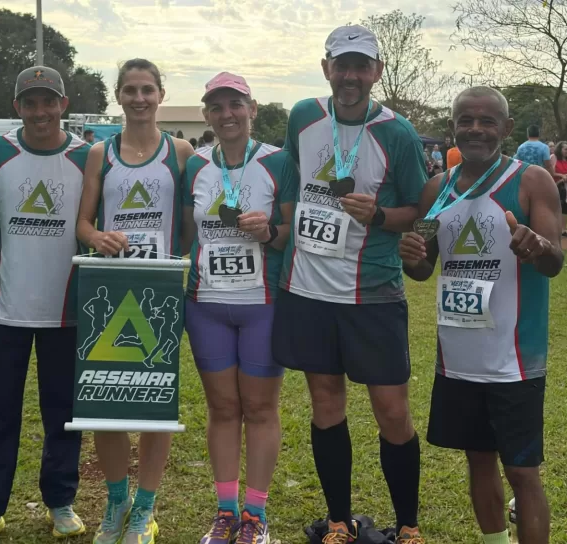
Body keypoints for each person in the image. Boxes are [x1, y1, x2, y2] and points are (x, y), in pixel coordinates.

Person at [271, 25, 427, 544]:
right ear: (326, 68)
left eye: (362, 66)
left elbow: (416, 212)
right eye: (343, 65)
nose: (351, 76)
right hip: (308, 290)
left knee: (392, 411)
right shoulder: (302, 117)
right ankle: (338, 521)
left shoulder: (397, 133)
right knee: (326, 404)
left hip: (372, 293)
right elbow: (292, 181)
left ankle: (408, 525)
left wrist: (379, 214)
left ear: (376, 72)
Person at [399, 85, 562, 544]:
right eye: (465, 121)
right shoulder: (438, 188)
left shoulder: (531, 181)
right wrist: (412, 255)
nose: (475, 129)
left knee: (522, 471)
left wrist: (537, 247)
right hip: (459, 358)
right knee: (477, 458)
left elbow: (555, 263)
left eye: (487, 121)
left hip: (515, 361)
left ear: (506, 129)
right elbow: (424, 264)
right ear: (453, 129)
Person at [0, 66, 89, 543]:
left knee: (64, 412)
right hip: (3, 309)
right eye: (30, 102)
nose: (41, 111)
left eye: (49, 101)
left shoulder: (85, 155)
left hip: (67, 311)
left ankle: (60, 501)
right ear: (17, 107)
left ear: (64, 104)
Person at [76, 58, 194, 544]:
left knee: (154, 403)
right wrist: (98, 237)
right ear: (118, 96)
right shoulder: (100, 154)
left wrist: (173, 257)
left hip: (161, 290)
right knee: (107, 400)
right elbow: (82, 224)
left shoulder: (181, 151)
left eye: (148, 89)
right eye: (130, 90)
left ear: (161, 95)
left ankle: (145, 508)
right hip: (109, 290)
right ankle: (116, 501)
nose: (139, 98)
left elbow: (188, 227)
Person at [181, 72, 297, 544]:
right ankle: (226, 513)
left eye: (235, 104)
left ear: (251, 108)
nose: (226, 114)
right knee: (223, 407)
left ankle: (255, 515)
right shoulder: (195, 165)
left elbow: (293, 231)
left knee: (261, 408)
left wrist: (267, 232)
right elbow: (186, 234)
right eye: (216, 106)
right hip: (205, 303)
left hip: (262, 303)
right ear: (207, 114)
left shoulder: (278, 162)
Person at [551, 141, 567, 237]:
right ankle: (553, 228)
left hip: (566, 186)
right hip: (555, 185)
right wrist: (561, 176)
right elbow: (550, 171)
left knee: (566, 208)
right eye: (565, 149)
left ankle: (563, 230)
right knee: (555, 207)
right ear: (560, 149)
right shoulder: (554, 158)